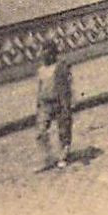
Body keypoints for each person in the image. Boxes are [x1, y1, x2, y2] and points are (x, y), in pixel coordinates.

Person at [35, 40, 74, 170]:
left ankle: (64, 154)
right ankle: (48, 157)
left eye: (45, 52)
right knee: (41, 131)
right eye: (42, 52)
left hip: (59, 102)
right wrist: (39, 103)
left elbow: (67, 86)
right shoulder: (41, 70)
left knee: (63, 129)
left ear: (52, 54)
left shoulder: (60, 67)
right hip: (45, 103)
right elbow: (40, 87)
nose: (42, 55)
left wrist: (68, 104)